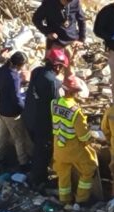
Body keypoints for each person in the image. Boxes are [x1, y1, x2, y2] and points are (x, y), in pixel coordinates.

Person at [23, 48, 69, 187]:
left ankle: (36, 173)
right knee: (42, 150)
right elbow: (56, 105)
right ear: (57, 66)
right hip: (42, 122)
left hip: (29, 116)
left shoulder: (36, 71)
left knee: (36, 146)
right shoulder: (52, 82)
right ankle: (38, 179)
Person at [51, 75, 98, 206]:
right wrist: (92, 142)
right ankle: (81, 200)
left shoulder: (54, 103)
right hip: (72, 147)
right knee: (88, 169)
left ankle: (65, 200)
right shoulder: (75, 111)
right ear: (74, 92)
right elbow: (83, 135)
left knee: (63, 173)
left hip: (58, 145)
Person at [0, 52, 33, 169]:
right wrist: (24, 109)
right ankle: (23, 162)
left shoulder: (2, 70)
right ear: (19, 65)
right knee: (19, 138)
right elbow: (16, 98)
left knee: (2, 134)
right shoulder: (14, 77)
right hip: (12, 113)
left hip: (2, 109)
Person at [33, 0, 85, 73]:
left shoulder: (75, 2)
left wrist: (81, 39)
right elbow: (36, 19)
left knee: (70, 72)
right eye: (65, 1)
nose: (67, 4)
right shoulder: (48, 3)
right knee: (51, 72)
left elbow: (81, 20)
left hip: (72, 42)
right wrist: (47, 32)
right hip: (55, 42)